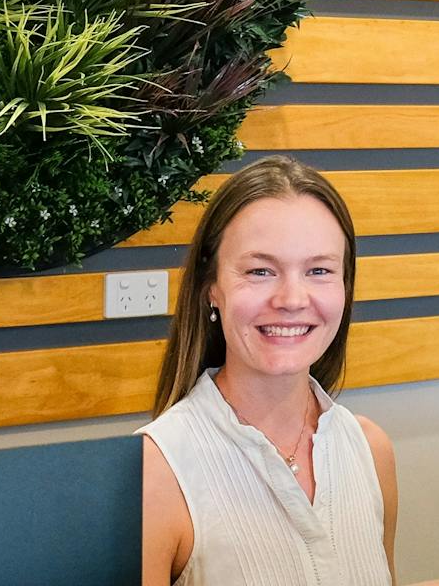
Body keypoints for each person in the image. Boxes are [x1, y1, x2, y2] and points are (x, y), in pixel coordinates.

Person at [140, 156, 398, 585]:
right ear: (212, 288)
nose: (292, 298)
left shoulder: (371, 450)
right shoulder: (157, 472)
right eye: (260, 271)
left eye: (319, 270)